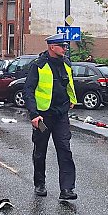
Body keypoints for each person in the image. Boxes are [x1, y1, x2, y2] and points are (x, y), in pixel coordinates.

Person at [23, 33, 78, 200]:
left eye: (66, 46)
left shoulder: (66, 63)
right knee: (40, 151)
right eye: (62, 46)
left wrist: (71, 100)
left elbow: (68, 84)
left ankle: (67, 189)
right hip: (42, 117)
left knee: (65, 150)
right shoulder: (38, 65)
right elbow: (28, 91)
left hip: (61, 115)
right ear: (52, 47)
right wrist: (34, 114)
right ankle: (40, 184)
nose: (65, 49)